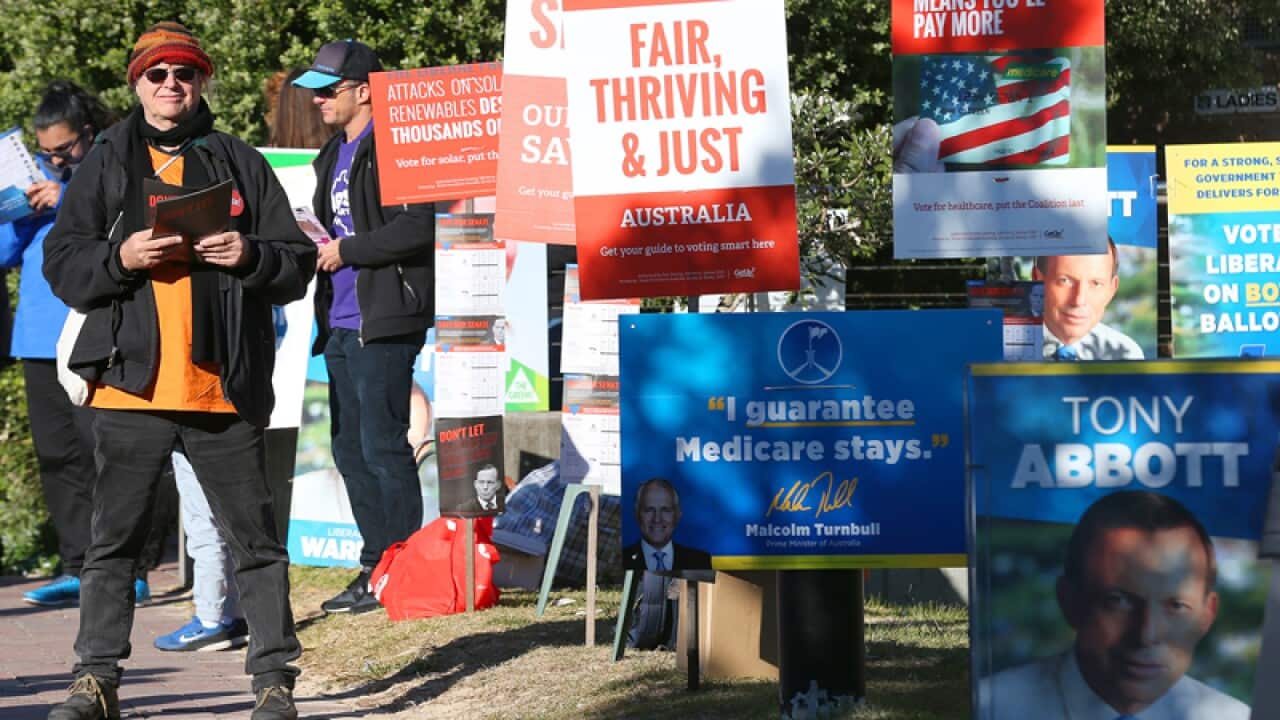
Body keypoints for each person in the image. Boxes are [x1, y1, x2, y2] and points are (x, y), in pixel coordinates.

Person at [41, 21, 314, 720]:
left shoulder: (238, 161)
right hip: (130, 384)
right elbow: (63, 267)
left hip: (221, 386)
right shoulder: (107, 161)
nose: (171, 85)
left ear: (202, 83)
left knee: (255, 541)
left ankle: (274, 683)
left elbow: (296, 263)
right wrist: (120, 259)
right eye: (157, 74)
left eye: (185, 74)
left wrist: (249, 255)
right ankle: (94, 682)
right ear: (137, 84)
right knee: (114, 544)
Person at [291, 39, 434, 616]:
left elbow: (419, 226)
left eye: (329, 89)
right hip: (342, 320)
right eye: (315, 91)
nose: (319, 99)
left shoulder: (397, 147)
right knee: (349, 449)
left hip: (387, 316)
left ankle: (403, 568)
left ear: (363, 89)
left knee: (383, 444)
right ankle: (375, 567)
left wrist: (348, 249)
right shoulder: (332, 153)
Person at [1, 81, 157, 608]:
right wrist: (18, 212)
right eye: (47, 152)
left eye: (64, 148)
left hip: (94, 330)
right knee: (57, 456)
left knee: (104, 452)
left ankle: (126, 566)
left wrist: (66, 197)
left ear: (87, 134)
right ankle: (76, 564)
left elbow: (132, 221)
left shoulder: (111, 166)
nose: (57, 159)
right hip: (37, 338)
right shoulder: (35, 182)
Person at [979, 491, 1250, 720]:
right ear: (1068, 601)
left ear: (1207, 615)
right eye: (1117, 601)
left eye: (1176, 606)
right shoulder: (986, 709)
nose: (1146, 634)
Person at [153, 451, 248, 652]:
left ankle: (210, 622)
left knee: (205, 530)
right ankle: (232, 616)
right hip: (237, 436)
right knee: (230, 526)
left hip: (195, 432)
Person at [1033, 239, 1144, 361]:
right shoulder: (1009, 352)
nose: (1078, 300)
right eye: (1064, 280)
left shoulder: (1127, 355)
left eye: (1096, 284)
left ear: (1111, 290)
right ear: (1037, 279)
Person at [623, 478, 712, 572]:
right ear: (637, 514)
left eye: (665, 510)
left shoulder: (700, 561)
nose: (657, 519)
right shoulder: (623, 558)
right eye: (649, 510)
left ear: (677, 515)